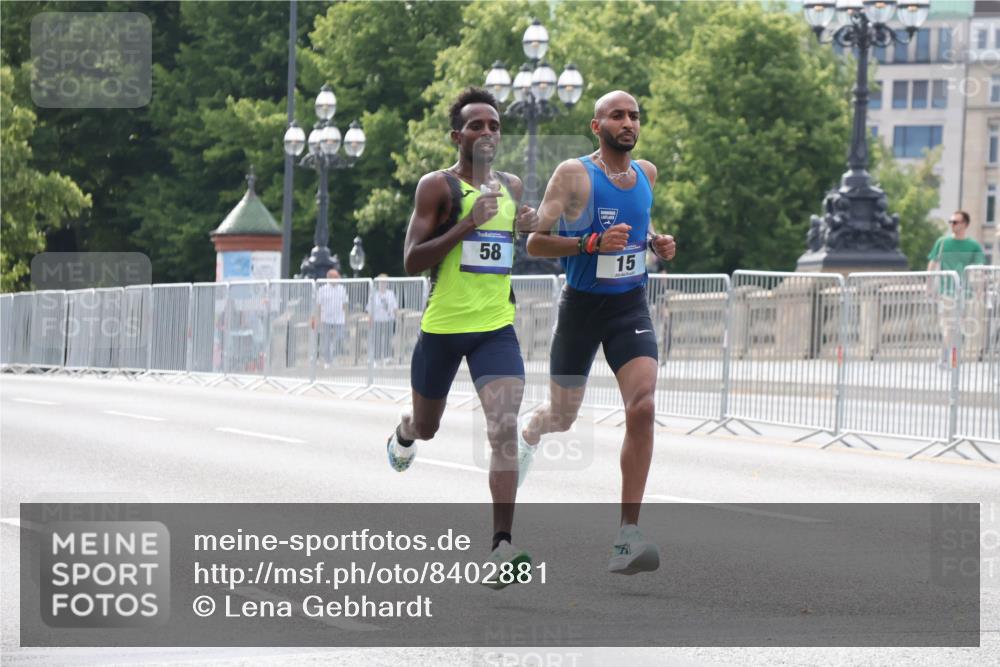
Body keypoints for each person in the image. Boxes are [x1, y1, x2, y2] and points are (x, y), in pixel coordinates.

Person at [384, 87, 538, 586]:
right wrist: (468, 224)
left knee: (503, 427)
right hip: (444, 330)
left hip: (495, 329)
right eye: (477, 125)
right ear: (457, 136)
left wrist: (530, 230)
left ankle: (502, 546)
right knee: (428, 427)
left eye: (494, 125)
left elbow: (516, 246)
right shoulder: (437, 187)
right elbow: (411, 260)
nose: (488, 132)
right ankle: (405, 432)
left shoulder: (511, 186)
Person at [519, 90, 676, 575]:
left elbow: (636, 229)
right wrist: (587, 242)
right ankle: (531, 431)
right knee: (562, 418)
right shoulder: (573, 174)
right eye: (617, 115)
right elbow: (535, 242)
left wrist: (657, 243)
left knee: (644, 406)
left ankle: (627, 535)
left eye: (633, 115)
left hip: (629, 304)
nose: (628, 122)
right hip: (582, 308)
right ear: (596, 126)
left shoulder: (646, 174)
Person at [927, 210, 986, 368]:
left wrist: (979, 291)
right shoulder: (943, 242)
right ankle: (951, 359)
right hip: (946, 292)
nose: (952, 225)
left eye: (956, 222)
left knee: (957, 327)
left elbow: (979, 269)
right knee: (948, 326)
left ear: (965, 224)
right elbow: (932, 263)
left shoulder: (973, 245)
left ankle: (947, 357)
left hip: (965, 293)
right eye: (951, 222)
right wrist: (929, 286)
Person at [315, 269, 347, 365]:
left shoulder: (342, 289)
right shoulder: (322, 289)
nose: (336, 279)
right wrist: (318, 317)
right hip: (326, 318)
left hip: (339, 318)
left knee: (339, 338)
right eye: (334, 277)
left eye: (337, 277)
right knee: (326, 340)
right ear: (329, 278)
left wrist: (346, 317)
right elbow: (319, 305)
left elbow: (345, 304)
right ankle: (327, 360)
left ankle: (335, 357)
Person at [370, 275, 399, 362]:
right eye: (381, 282)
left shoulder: (391, 294)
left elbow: (395, 308)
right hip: (377, 320)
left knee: (388, 339)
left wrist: (397, 318)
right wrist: (370, 319)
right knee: (377, 339)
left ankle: (388, 357)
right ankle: (376, 357)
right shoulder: (373, 294)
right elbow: (370, 309)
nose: (383, 284)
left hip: (388, 320)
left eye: (384, 282)